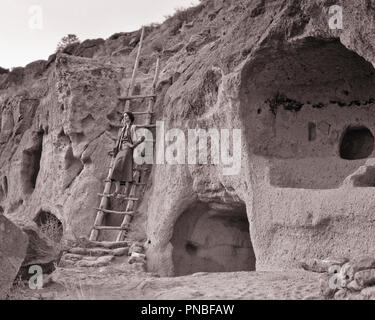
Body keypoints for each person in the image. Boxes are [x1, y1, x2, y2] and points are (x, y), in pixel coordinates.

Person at [110, 112, 145, 197]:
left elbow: (138, 138)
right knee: (115, 168)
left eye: (126, 116)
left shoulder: (133, 127)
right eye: (124, 116)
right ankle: (117, 190)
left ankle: (125, 193)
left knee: (126, 169)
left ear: (130, 117)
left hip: (128, 149)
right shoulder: (123, 129)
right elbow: (119, 140)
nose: (124, 117)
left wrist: (136, 146)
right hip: (121, 149)